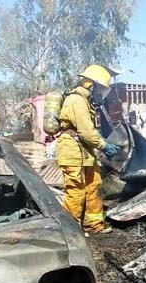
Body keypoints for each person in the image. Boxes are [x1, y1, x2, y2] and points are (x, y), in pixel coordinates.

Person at [56, 64, 120, 234]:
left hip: (84, 150)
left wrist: (101, 141)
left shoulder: (86, 101)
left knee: (94, 185)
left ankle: (94, 225)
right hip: (71, 150)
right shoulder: (76, 100)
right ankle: (71, 230)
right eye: (101, 90)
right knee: (75, 190)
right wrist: (104, 145)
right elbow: (85, 131)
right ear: (91, 85)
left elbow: (88, 132)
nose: (102, 94)